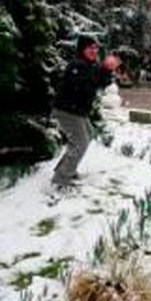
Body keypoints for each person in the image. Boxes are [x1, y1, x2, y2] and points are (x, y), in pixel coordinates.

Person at [52, 35, 120, 189]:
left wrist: (107, 70)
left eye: (96, 48)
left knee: (87, 136)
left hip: (78, 111)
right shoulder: (77, 65)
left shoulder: (89, 65)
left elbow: (101, 82)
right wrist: (103, 70)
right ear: (82, 49)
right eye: (90, 48)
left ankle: (64, 169)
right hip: (67, 111)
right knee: (80, 142)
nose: (94, 51)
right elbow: (86, 86)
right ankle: (60, 181)